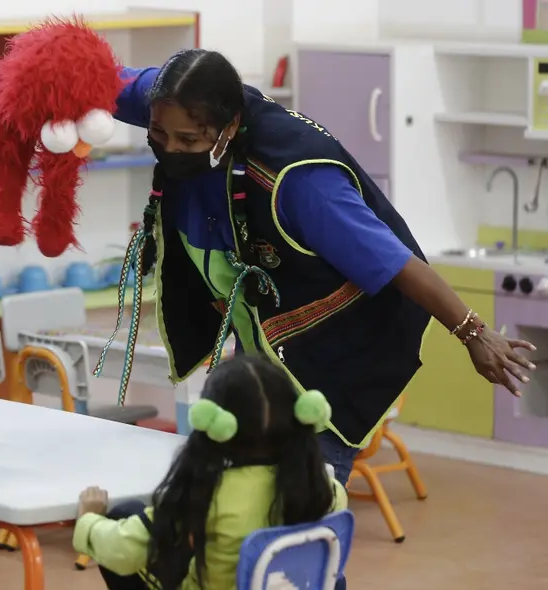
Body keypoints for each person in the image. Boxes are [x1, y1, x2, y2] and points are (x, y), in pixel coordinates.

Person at [105, 48, 536, 485]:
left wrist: (474, 333)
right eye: (159, 134)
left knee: (300, 507)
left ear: (228, 128)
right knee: (227, 501)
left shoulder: (303, 185)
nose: (170, 148)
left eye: (188, 141)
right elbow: (93, 79)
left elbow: (397, 264)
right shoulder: (173, 98)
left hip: (340, 359)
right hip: (264, 357)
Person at [73, 355, 348, 590]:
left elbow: (122, 552)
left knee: (123, 515)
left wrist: (88, 520)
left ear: (216, 426)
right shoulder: (326, 488)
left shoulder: (209, 495)